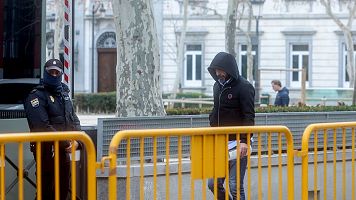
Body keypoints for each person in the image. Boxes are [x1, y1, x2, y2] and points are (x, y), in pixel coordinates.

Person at [24, 58, 81, 200]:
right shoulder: (36, 96)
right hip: (46, 152)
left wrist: (78, 141)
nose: (54, 75)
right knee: (46, 193)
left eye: (57, 73)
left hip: (63, 152)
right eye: (51, 72)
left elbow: (74, 120)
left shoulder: (64, 95)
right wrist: (67, 143)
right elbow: (42, 127)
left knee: (62, 191)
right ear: (45, 72)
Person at [207, 52, 255, 200]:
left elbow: (249, 116)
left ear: (228, 69)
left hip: (238, 143)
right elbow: (216, 111)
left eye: (220, 70)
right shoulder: (217, 86)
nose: (217, 73)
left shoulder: (244, 87)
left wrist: (244, 141)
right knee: (213, 183)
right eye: (215, 70)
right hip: (221, 142)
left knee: (235, 186)